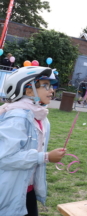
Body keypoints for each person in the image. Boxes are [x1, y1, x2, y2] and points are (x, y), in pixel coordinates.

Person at [0, 66, 66, 216]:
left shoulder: (39, 115)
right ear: (28, 90)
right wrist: (45, 157)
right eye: (45, 86)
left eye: (51, 86)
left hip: (26, 189)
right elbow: (5, 158)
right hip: (9, 190)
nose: (51, 90)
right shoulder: (17, 117)